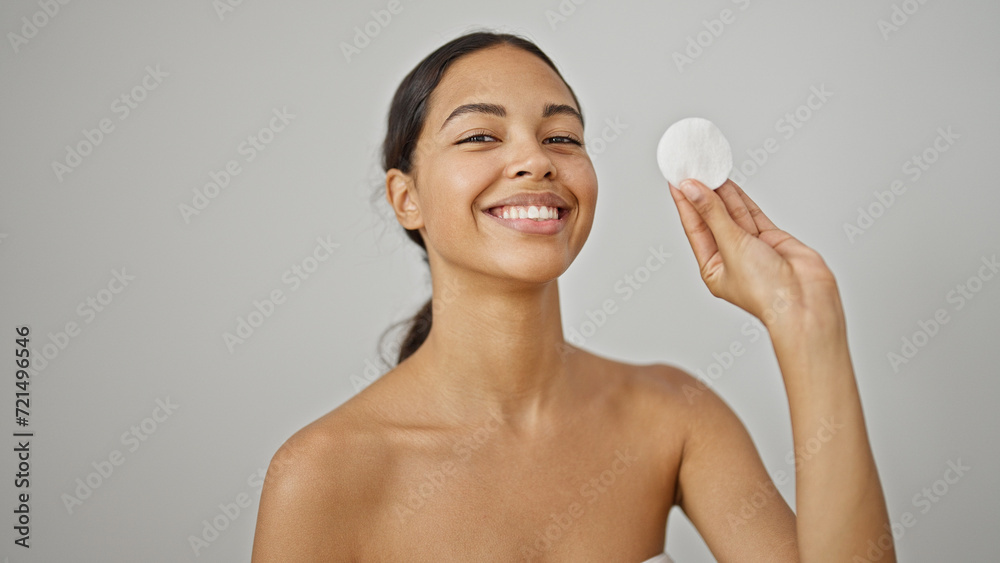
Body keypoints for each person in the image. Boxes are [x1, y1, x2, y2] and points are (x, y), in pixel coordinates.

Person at [251, 29, 893, 562]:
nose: (537, 161)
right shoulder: (321, 474)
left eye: (562, 137)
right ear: (406, 197)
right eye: (480, 136)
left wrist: (808, 324)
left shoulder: (676, 416)